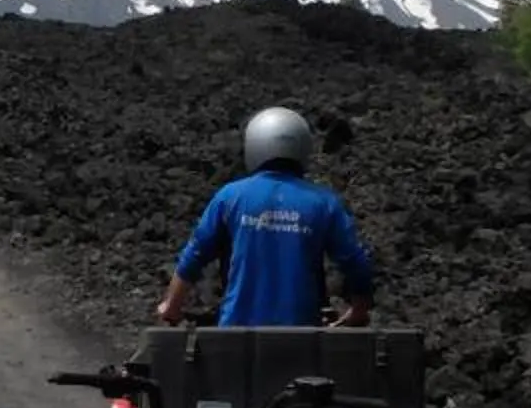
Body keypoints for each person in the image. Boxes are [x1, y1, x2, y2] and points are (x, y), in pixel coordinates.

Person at [157, 106, 375, 327]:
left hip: (236, 332)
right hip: (302, 336)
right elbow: (355, 262)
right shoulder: (324, 202)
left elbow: (195, 254)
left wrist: (171, 306)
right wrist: (359, 310)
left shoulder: (230, 196)